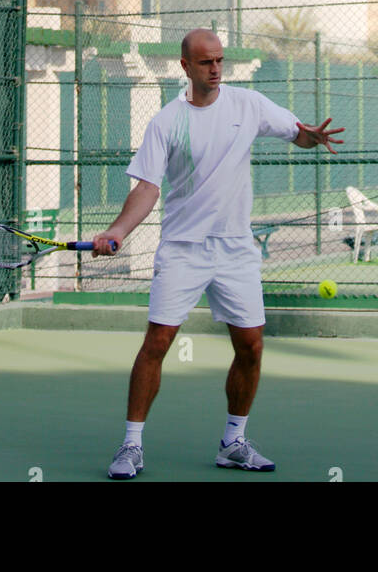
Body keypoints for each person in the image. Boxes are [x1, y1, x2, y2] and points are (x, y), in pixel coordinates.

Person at [92, 27, 344, 479]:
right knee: (158, 343)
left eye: (220, 60)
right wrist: (119, 230)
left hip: (235, 250)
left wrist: (312, 138)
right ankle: (131, 445)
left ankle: (234, 441)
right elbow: (147, 188)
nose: (215, 68)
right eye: (205, 62)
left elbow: (297, 134)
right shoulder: (167, 121)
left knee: (250, 345)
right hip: (183, 250)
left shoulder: (247, 104)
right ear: (185, 66)